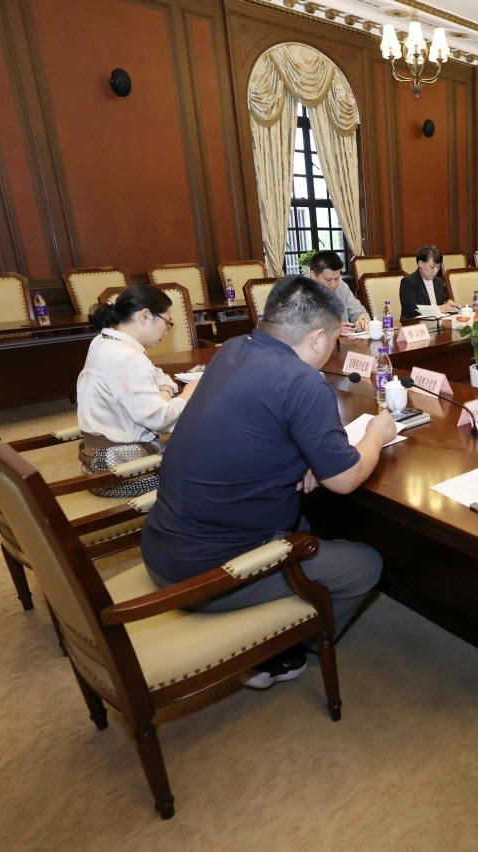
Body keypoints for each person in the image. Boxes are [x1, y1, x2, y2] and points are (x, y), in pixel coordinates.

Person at [142, 274, 396, 689]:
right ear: (317, 339)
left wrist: (305, 457)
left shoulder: (232, 349)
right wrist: (375, 435)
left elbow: (251, 428)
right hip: (208, 573)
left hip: (162, 541)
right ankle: (287, 644)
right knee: (367, 563)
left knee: (313, 526)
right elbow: (347, 479)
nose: (331, 348)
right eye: (333, 340)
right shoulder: (303, 382)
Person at [76, 283, 195, 497]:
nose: (167, 331)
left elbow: (156, 374)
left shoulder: (105, 341)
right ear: (145, 316)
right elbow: (163, 421)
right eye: (167, 323)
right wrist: (188, 394)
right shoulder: (128, 358)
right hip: (123, 471)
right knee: (215, 468)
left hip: (98, 462)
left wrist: (165, 391)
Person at [307, 250, 369, 332]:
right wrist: (332, 330)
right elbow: (300, 331)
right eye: (328, 279)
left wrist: (362, 321)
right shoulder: (299, 292)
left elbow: (360, 312)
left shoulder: (341, 286)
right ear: (313, 275)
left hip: (345, 343)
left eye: (336, 278)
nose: (333, 285)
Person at [399, 244, 458, 322]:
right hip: (415, 326)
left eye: (438, 267)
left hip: (437, 324)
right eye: (432, 267)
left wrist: (449, 302)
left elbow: (442, 301)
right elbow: (413, 310)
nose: (436, 271)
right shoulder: (408, 282)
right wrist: (439, 309)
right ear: (420, 263)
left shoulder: (439, 281)